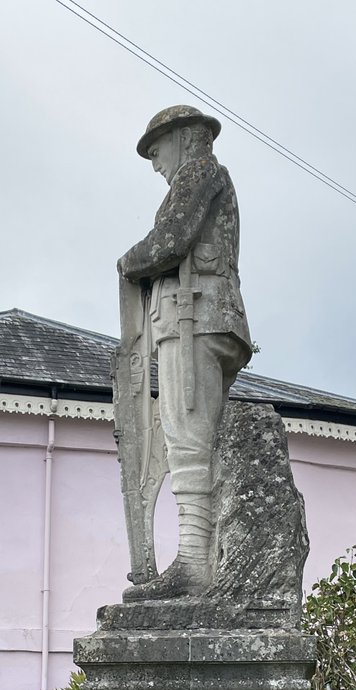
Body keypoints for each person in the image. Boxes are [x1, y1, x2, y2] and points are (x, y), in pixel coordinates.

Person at [118, 105, 252, 599]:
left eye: (156, 151)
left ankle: (195, 563)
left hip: (194, 317)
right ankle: (206, 554)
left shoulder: (200, 172)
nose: (155, 164)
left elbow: (169, 243)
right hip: (202, 316)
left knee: (187, 438)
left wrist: (127, 261)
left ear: (181, 138)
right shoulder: (208, 177)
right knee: (193, 437)